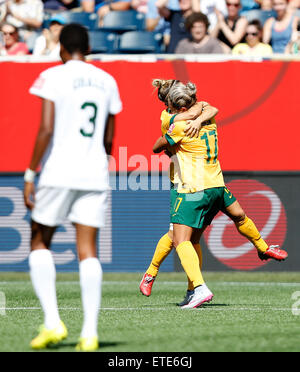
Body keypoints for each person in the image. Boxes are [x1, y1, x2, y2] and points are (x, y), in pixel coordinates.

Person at [139, 79, 288, 305]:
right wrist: (198, 117)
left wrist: (168, 143)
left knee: (178, 238)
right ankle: (262, 248)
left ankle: (189, 285)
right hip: (216, 184)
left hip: (189, 187)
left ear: (177, 106)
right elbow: (209, 107)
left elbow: (156, 146)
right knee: (229, 221)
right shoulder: (207, 111)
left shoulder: (173, 123)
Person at [24, 23, 122, 351]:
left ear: (62, 49)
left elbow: (45, 129)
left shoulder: (54, 76)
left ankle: (53, 322)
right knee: (88, 250)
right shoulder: (107, 80)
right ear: (89, 48)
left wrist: (29, 173)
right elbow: (109, 138)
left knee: (39, 240)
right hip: (94, 171)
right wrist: (97, 160)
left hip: (58, 171)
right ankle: (90, 333)